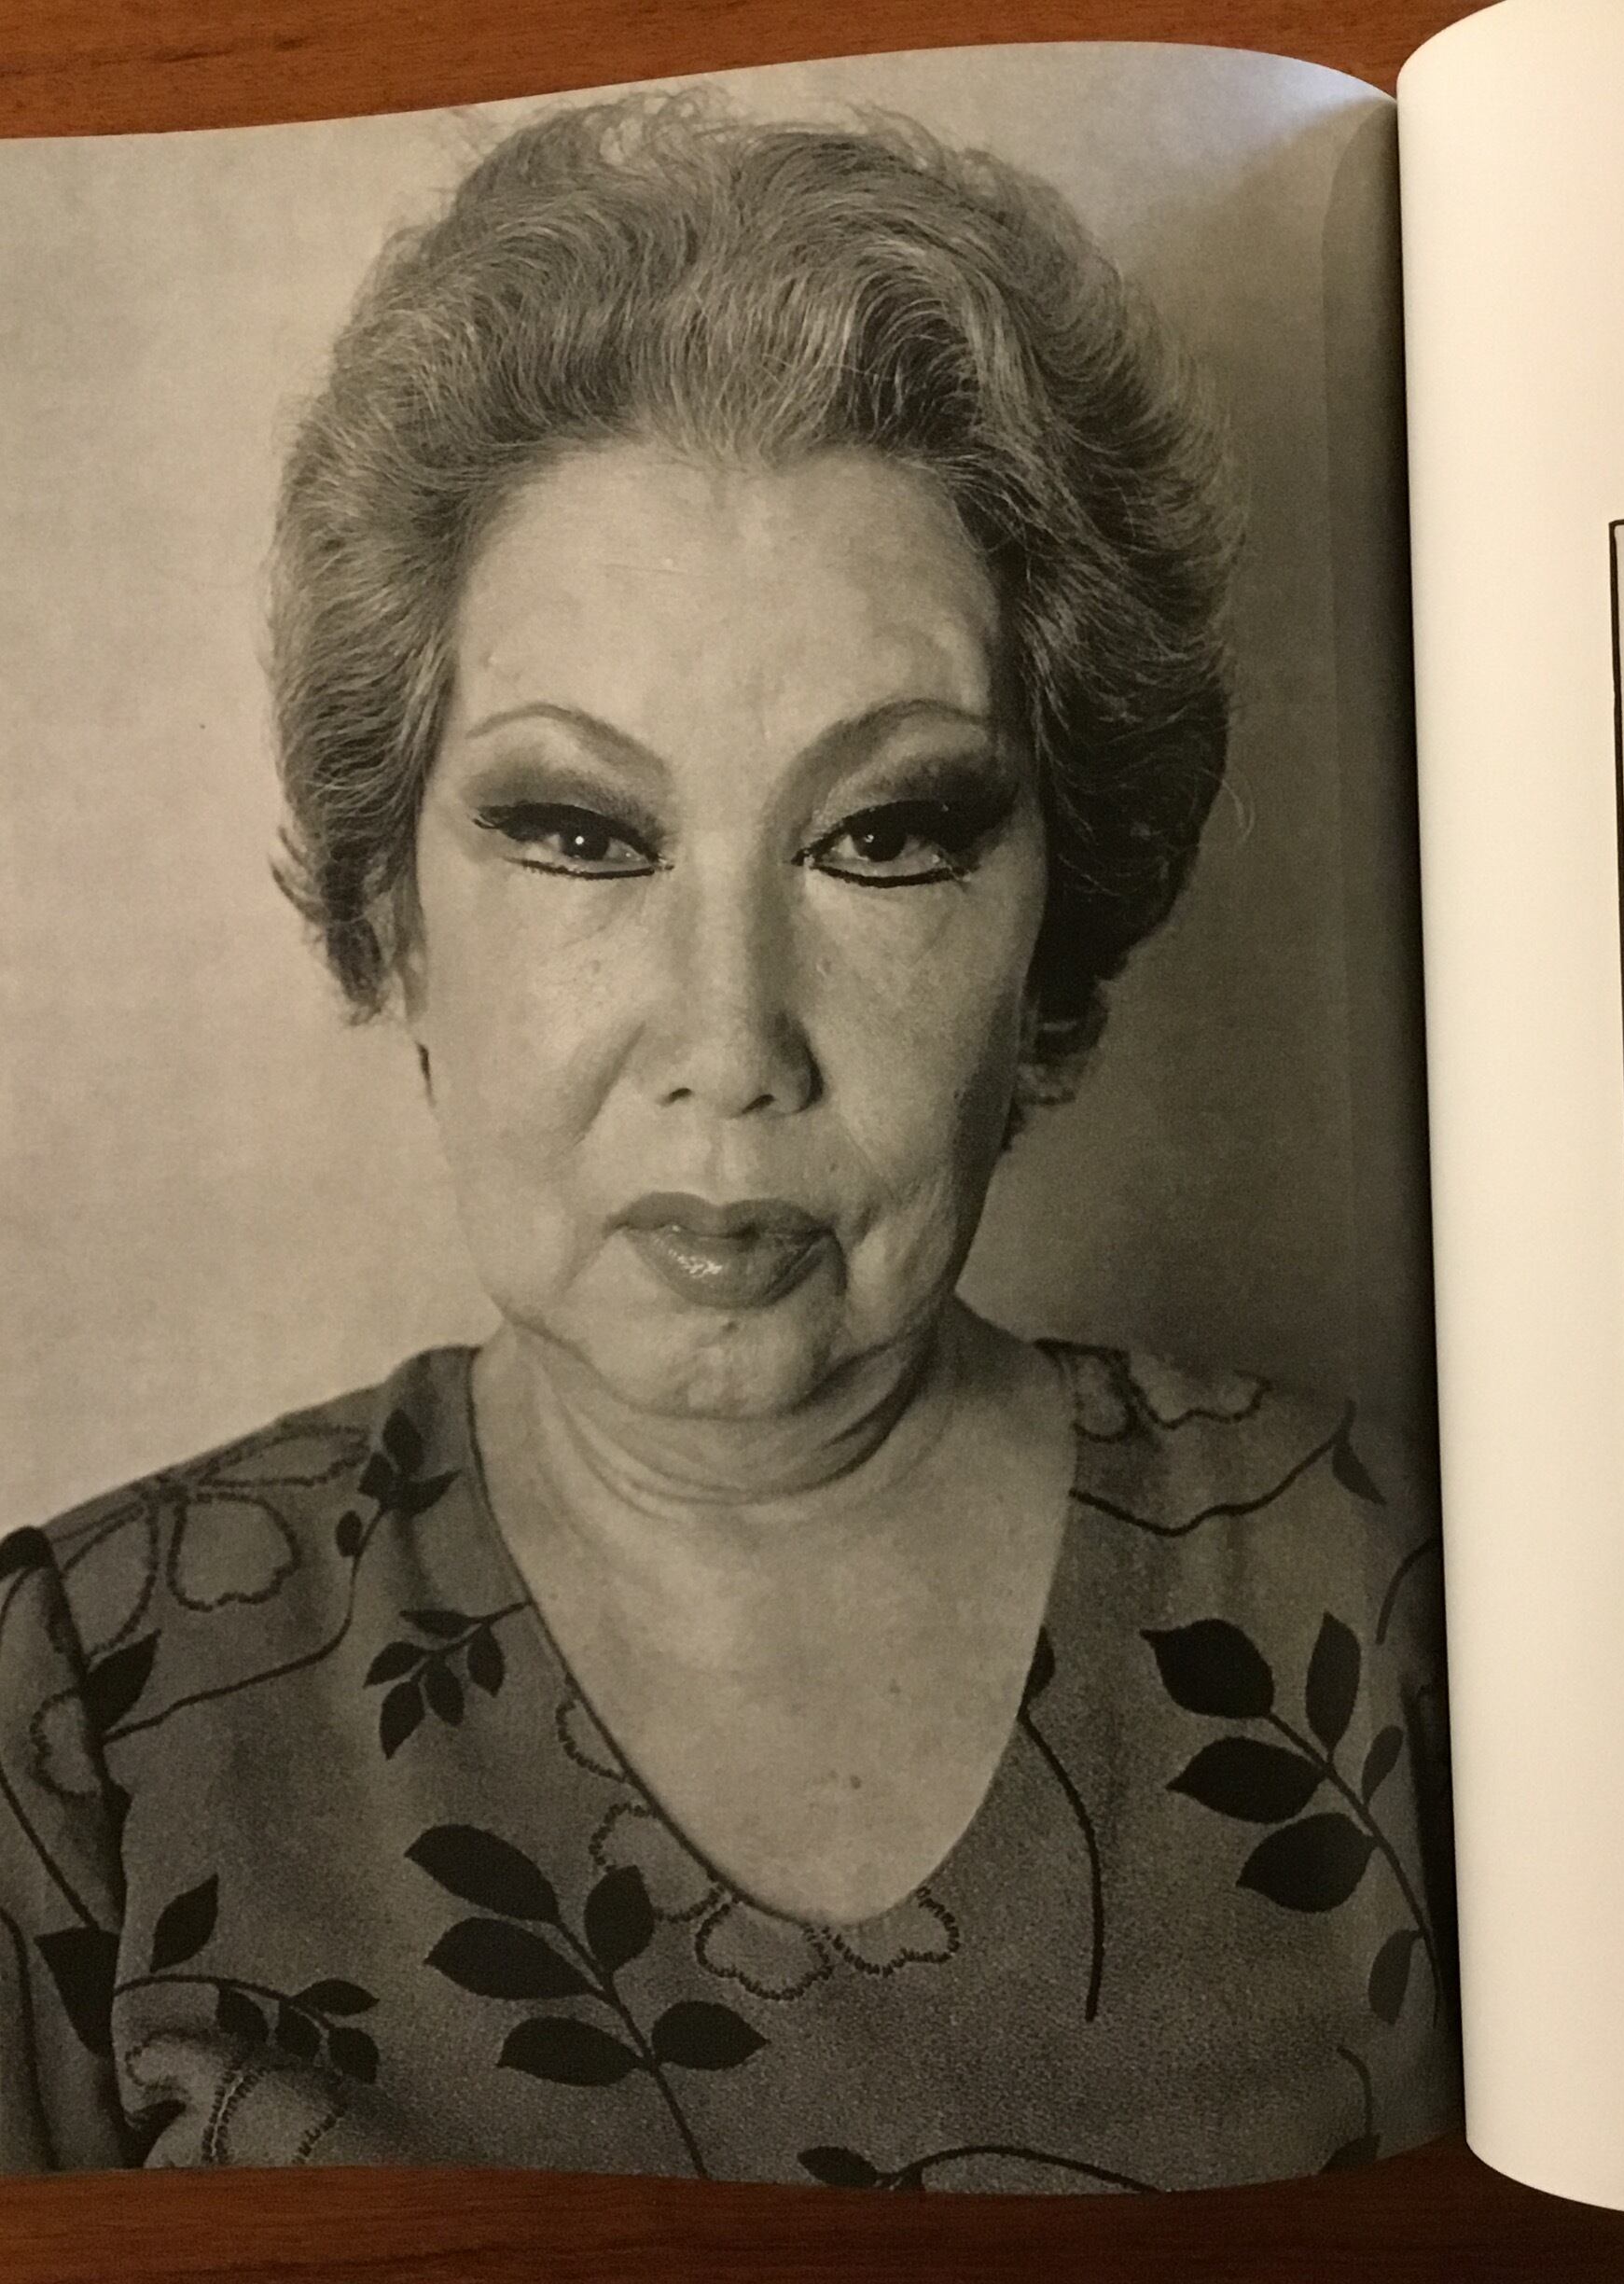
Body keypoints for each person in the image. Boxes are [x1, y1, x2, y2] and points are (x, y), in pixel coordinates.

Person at [0, 99, 1454, 2183]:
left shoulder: (1406, 1603)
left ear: (1054, 936)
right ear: (395, 916)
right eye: (580, 833)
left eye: (885, 836)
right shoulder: (72, 1715)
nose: (729, 1042)